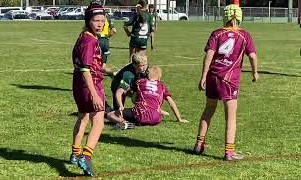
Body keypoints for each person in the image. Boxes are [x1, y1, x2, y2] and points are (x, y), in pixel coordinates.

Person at [193, 4, 259, 161]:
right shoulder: (244, 35)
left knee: (208, 110)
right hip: (229, 80)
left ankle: (199, 144)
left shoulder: (216, 34)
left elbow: (209, 55)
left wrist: (203, 76)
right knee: (231, 116)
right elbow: (252, 56)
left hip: (212, 77)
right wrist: (255, 72)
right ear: (239, 17)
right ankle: (229, 152)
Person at [70, 2, 106, 176]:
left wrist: (106, 69)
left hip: (79, 83)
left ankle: (75, 153)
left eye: (102, 20)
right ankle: (86, 156)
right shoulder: (89, 40)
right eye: (96, 20)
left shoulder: (83, 36)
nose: (100, 24)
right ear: (88, 20)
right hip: (89, 84)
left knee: (83, 118)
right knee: (98, 121)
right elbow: (85, 68)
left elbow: (87, 64)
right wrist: (94, 94)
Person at [107, 66, 189, 129]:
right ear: (159, 78)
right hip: (156, 118)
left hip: (139, 114)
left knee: (111, 114)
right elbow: (171, 103)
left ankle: (125, 122)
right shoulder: (162, 86)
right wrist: (179, 119)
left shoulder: (140, 82)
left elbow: (127, 92)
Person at [97, 7, 116, 77]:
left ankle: (111, 74)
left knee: (95, 61)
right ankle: (112, 74)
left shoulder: (97, 19)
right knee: (103, 65)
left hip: (98, 40)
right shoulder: (107, 19)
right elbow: (114, 30)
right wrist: (108, 37)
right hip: (105, 41)